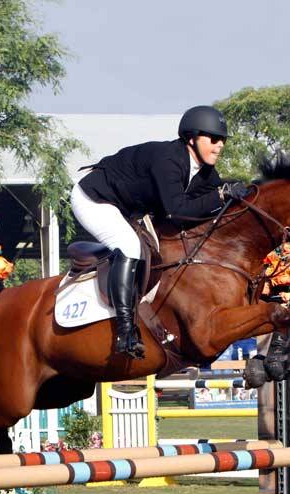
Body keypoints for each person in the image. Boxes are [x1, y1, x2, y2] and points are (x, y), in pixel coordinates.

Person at [71, 105, 249, 358]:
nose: (220, 145)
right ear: (192, 138)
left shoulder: (205, 172)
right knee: (129, 245)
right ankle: (125, 331)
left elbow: (212, 200)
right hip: (94, 198)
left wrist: (237, 192)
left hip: (128, 207)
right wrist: (220, 195)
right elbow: (176, 210)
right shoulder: (168, 160)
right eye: (214, 139)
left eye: (222, 140)